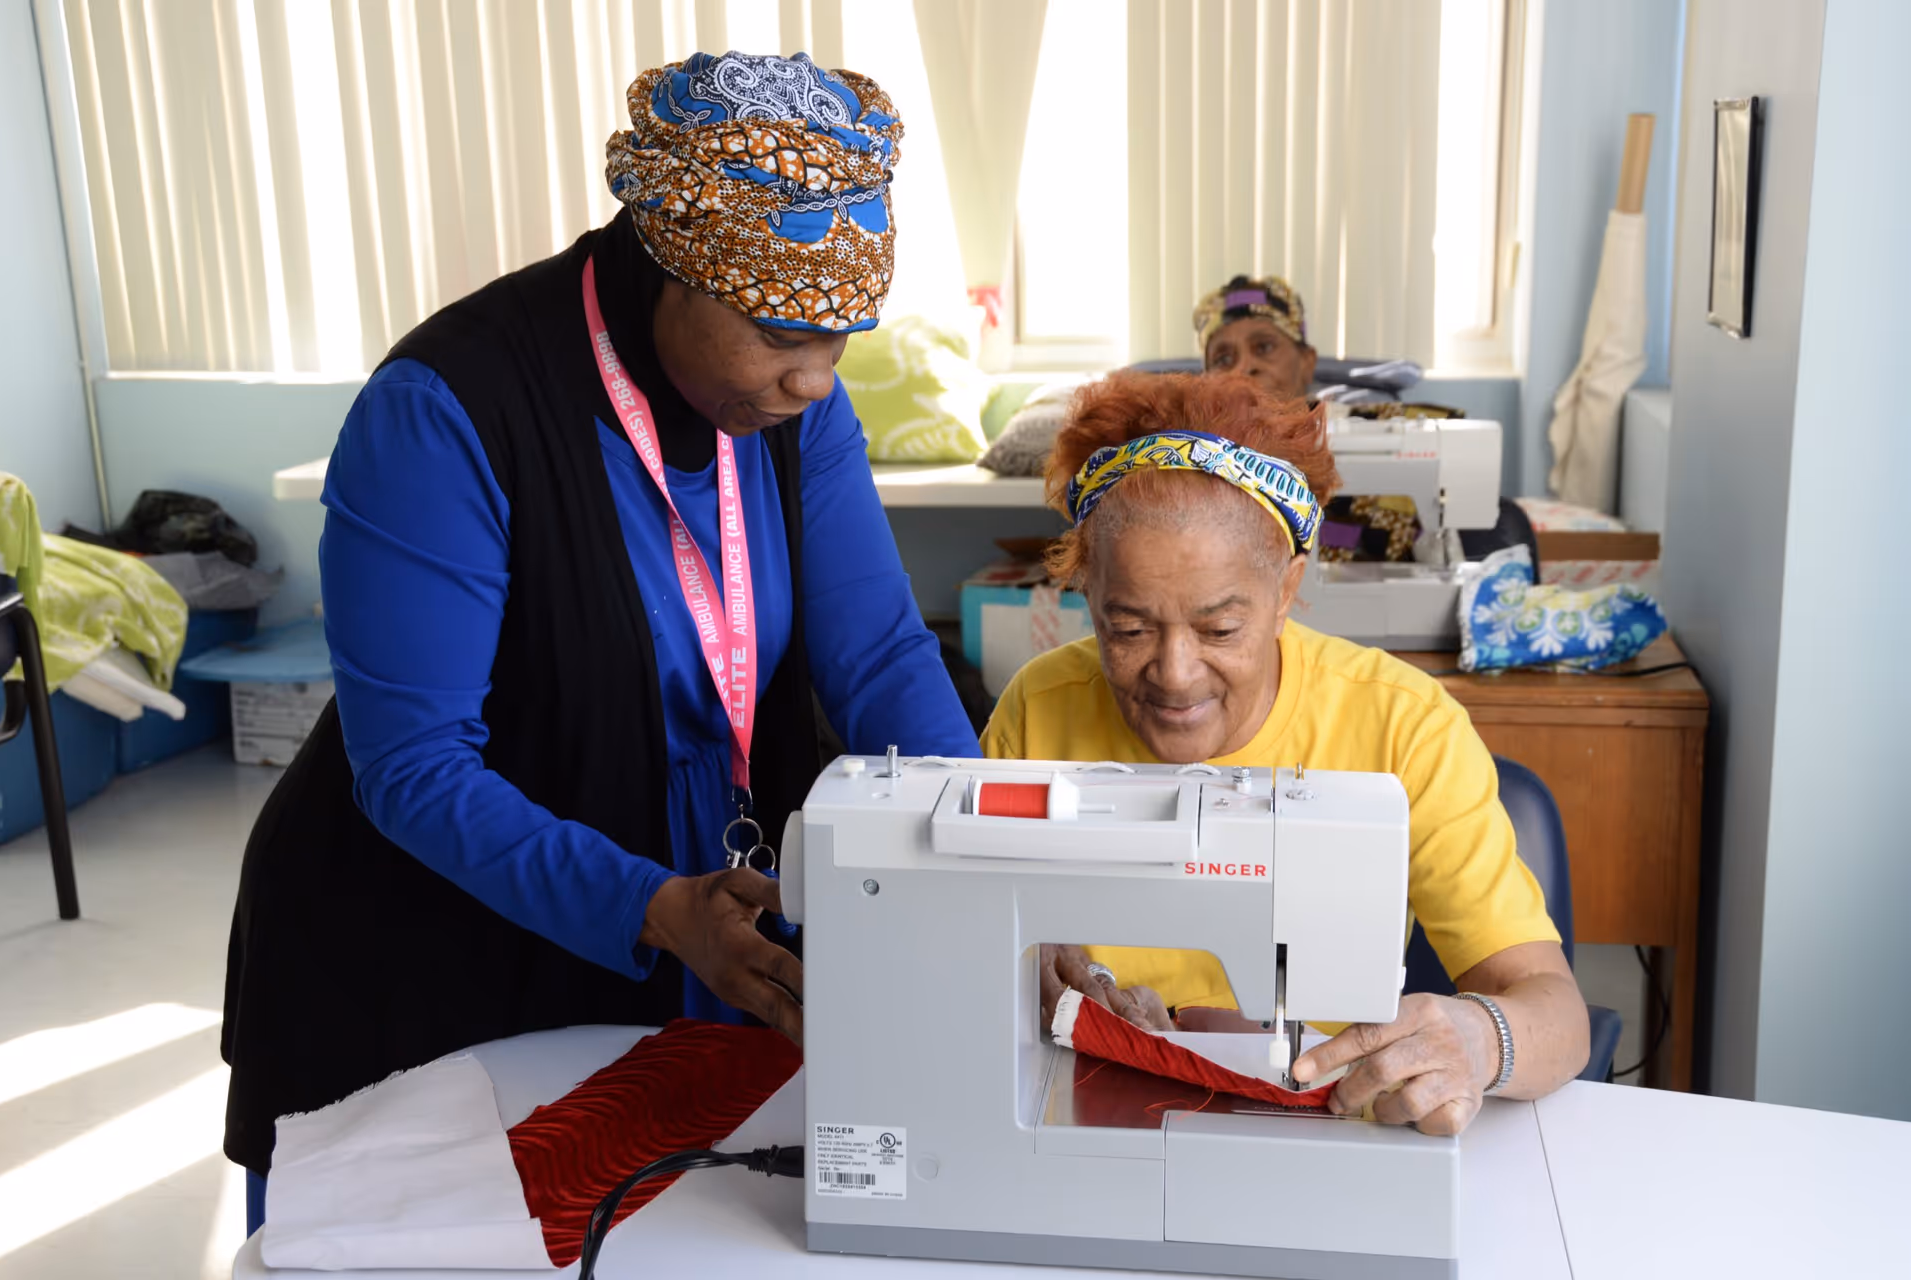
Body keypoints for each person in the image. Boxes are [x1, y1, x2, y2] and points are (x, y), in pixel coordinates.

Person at [221, 52, 978, 1195]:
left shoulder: (796, 410)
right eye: (780, 337)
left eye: (841, 341)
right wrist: (650, 904)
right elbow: (415, 767)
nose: (816, 381)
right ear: (672, 267)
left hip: (701, 912)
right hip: (439, 939)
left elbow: (876, 656)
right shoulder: (447, 409)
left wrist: (999, 855)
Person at [981, 372, 1589, 1136]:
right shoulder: (1037, 714)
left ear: (1287, 589)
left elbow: (1553, 1009)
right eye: (1128, 629)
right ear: (1088, 593)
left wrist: (1478, 1039)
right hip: (1094, 1119)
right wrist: (1013, 973)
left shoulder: (1403, 729)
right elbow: (973, 956)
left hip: (1332, 1121)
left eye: (1220, 630)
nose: (1174, 673)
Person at [1194, 274, 1317, 400]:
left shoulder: (1335, 416)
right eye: (1224, 360)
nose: (1244, 368)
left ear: (1307, 362)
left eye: (1264, 347)